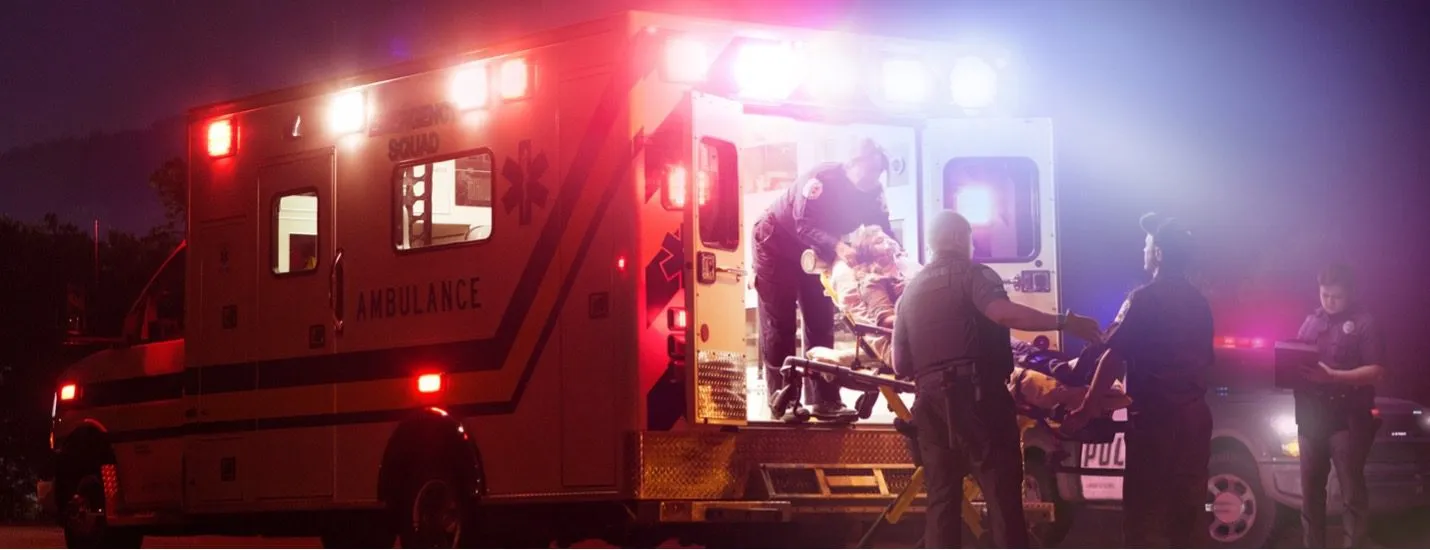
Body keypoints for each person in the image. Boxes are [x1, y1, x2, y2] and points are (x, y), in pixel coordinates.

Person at [891, 210, 1103, 548]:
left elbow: (899, 364)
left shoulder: (909, 294)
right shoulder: (975, 275)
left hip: (929, 409)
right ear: (962, 239)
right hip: (979, 402)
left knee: (942, 505)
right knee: (1003, 500)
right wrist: (1064, 322)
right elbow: (1001, 313)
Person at [1065, 212, 1215, 548]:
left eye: (1147, 244)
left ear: (1158, 253)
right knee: (1187, 517)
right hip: (1194, 422)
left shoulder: (1145, 299)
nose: (1143, 248)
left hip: (1157, 425)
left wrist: (1087, 408)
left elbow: (1114, 355)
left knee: (1144, 519)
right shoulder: (1200, 302)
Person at [753, 138, 895, 422]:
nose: (872, 179)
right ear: (851, 165)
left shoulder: (873, 192)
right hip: (776, 244)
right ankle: (783, 399)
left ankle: (824, 399)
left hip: (816, 255)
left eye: (878, 173)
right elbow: (802, 223)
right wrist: (839, 247)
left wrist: (889, 255)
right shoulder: (821, 180)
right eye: (868, 172)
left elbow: (882, 229)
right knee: (779, 324)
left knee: (820, 321)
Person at [1292, 263, 1385, 548]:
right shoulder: (1311, 320)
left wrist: (1332, 376)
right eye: (1324, 294)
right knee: (1310, 495)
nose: (1329, 301)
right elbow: (1295, 356)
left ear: (1351, 293)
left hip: (1347, 419)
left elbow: (1377, 372)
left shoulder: (1364, 322)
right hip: (1310, 419)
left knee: (1352, 495)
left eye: (1336, 296)